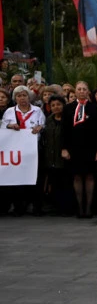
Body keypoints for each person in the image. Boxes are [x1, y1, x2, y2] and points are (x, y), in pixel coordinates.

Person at [61, 80, 97, 218]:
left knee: (90, 177)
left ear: (88, 91)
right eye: (78, 89)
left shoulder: (95, 108)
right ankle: (79, 207)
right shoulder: (68, 108)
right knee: (77, 177)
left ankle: (89, 207)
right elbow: (64, 130)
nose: (81, 91)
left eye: (84, 89)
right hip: (74, 148)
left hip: (91, 147)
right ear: (75, 91)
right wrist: (64, 148)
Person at [2, 86, 46, 215]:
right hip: (16, 150)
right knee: (18, 178)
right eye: (19, 96)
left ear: (29, 97)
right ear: (15, 98)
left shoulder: (37, 110)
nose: (22, 98)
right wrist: (10, 125)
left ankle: (37, 206)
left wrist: (40, 127)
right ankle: (18, 206)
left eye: (24, 95)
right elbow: (3, 127)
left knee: (35, 178)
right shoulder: (10, 112)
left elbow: (44, 124)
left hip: (33, 149)